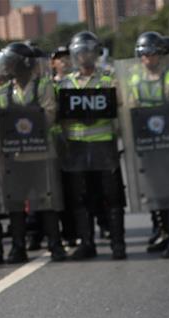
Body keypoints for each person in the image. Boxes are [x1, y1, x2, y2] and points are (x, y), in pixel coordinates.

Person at [0, 41, 66, 262]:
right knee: (16, 203)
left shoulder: (43, 86)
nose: (8, 68)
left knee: (47, 201)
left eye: (12, 63)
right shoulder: (3, 90)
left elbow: (49, 114)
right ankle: (18, 247)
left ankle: (55, 245)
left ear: (23, 64)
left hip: (40, 153)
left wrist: (21, 120)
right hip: (15, 156)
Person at [58, 31, 127, 258]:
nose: (83, 57)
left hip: (103, 147)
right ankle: (87, 243)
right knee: (80, 199)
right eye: (79, 52)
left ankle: (118, 245)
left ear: (95, 54)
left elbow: (122, 107)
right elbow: (59, 115)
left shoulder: (109, 79)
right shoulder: (65, 84)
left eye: (87, 52)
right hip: (76, 148)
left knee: (112, 198)